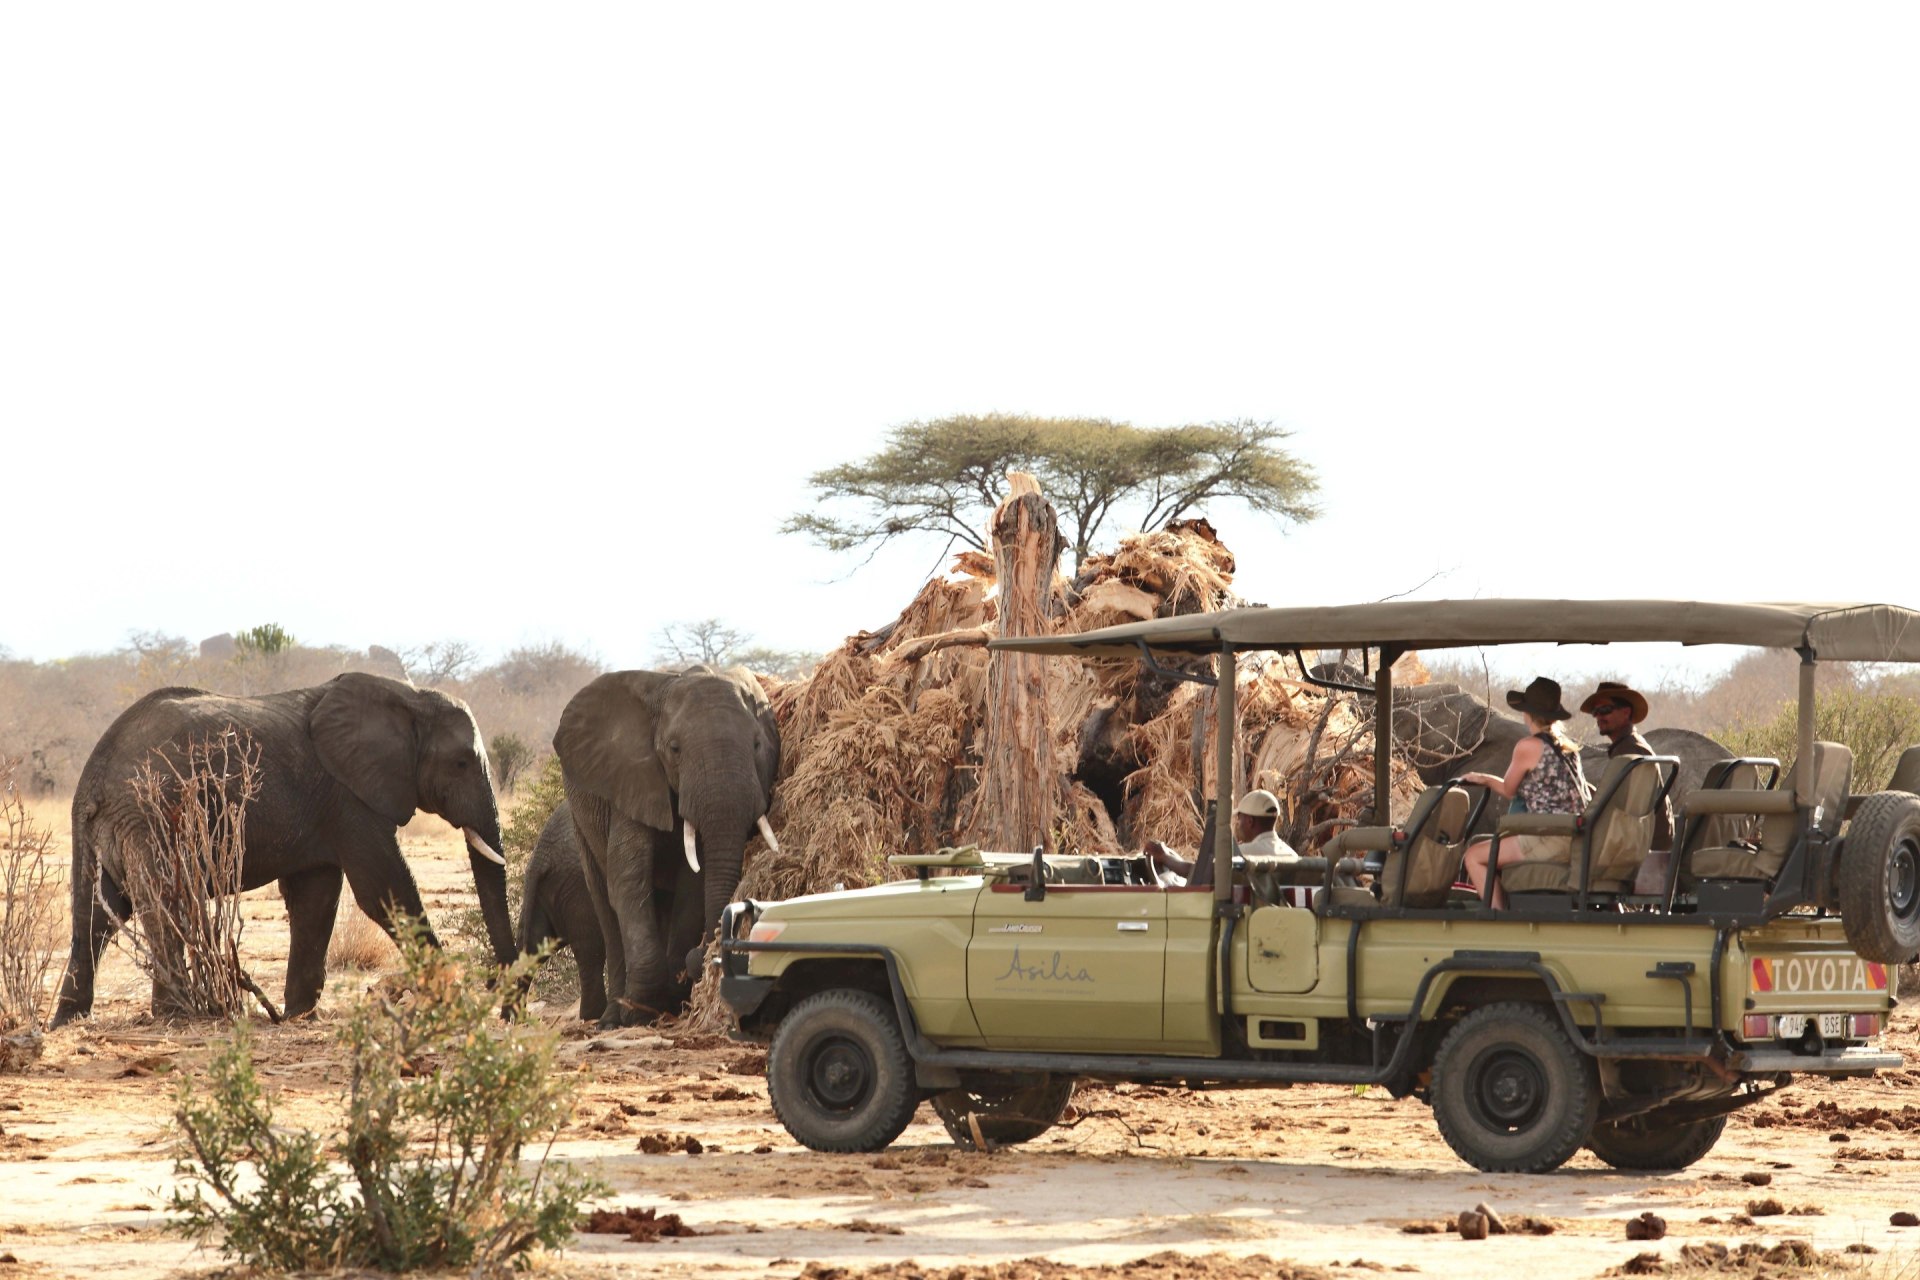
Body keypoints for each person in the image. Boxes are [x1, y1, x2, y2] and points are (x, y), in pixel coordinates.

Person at [1458, 677, 1592, 908]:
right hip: (1573, 838)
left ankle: (1498, 918)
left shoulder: (1528, 746)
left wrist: (1484, 779)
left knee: (1473, 856)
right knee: (1490, 846)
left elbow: (1509, 790)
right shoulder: (1569, 750)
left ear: (1526, 713)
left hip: (1547, 837)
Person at [1581, 680, 1675, 892]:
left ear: (1626, 712)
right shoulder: (1631, 746)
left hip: (1641, 843)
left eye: (1605, 709)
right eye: (1595, 711)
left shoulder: (1629, 752)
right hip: (1648, 838)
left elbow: (1623, 812)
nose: (1598, 716)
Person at [1145, 788, 1298, 887]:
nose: (1237, 823)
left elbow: (1200, 873)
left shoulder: (1243, 855)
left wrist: (1163, 856)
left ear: (1250, 822)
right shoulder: (1291, 854)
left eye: (1240, 818)